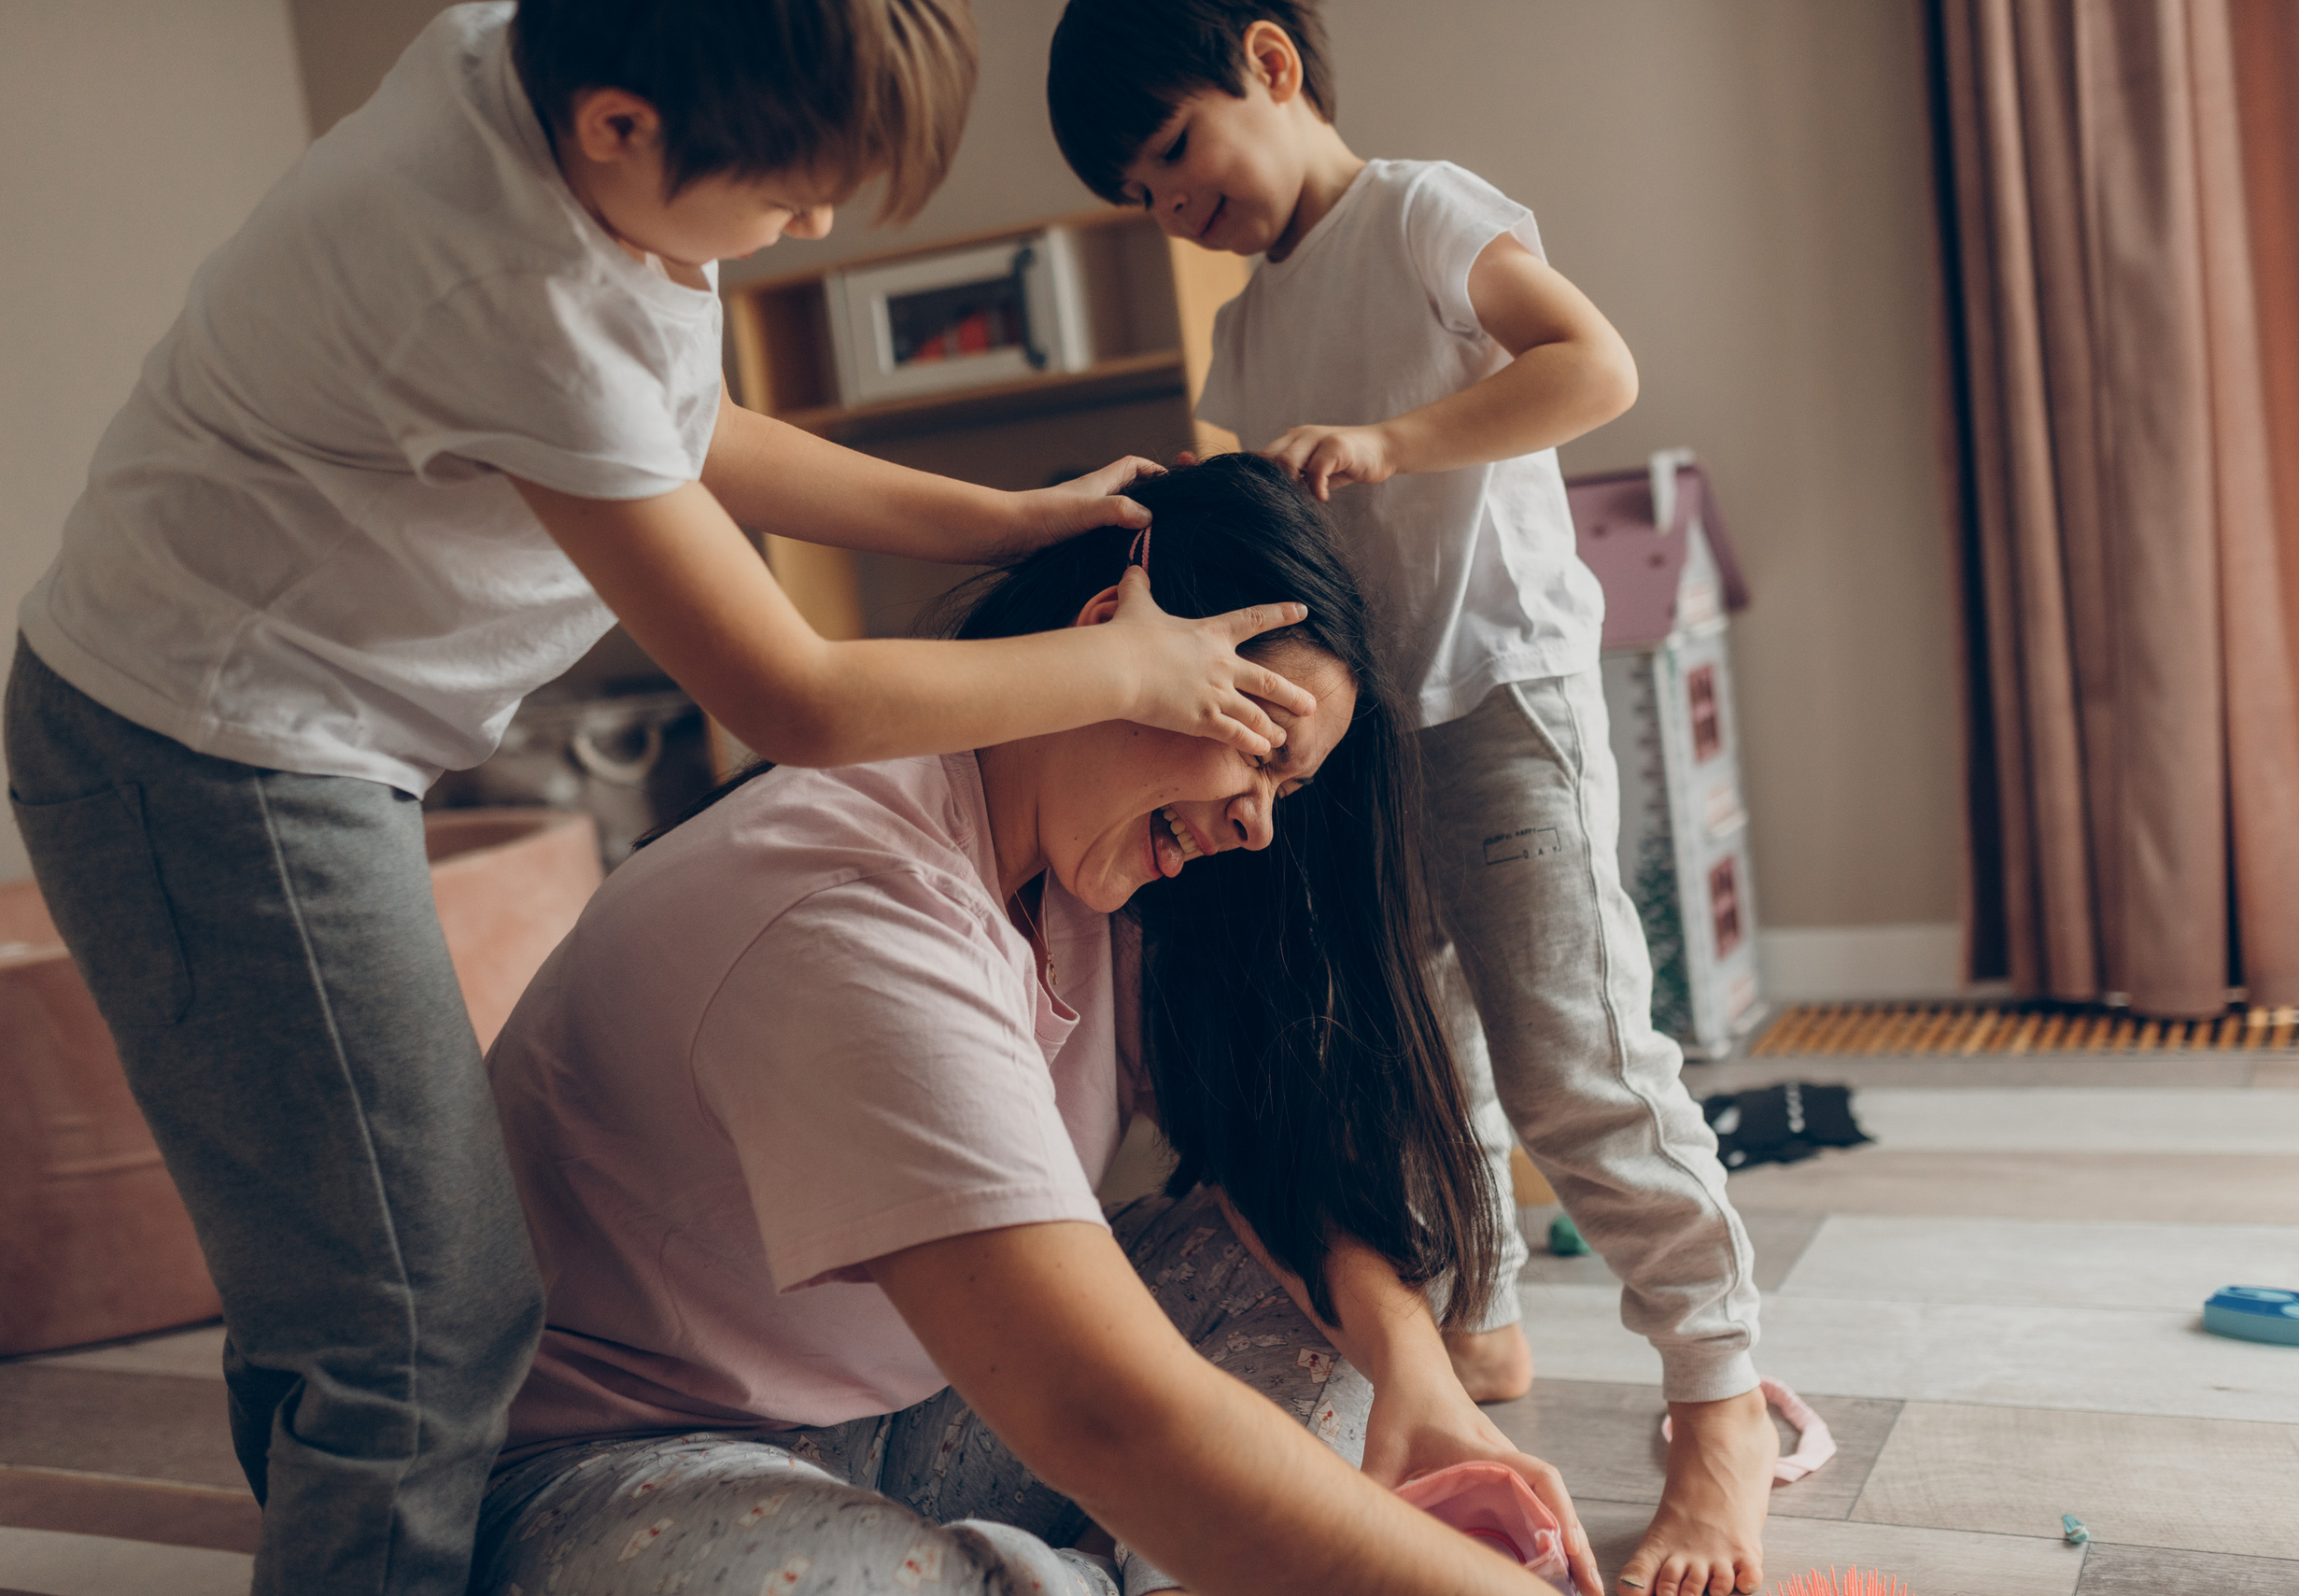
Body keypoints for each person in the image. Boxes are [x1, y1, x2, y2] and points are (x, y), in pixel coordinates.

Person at [3, 6, 1318, 1594]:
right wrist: (1123, 676)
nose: (811, 227)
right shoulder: (509, 283)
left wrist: (997, 511)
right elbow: (798, 698)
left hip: (277, 724)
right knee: (422, 1320)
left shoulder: (547, 71)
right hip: (210, 749)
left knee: (356, 1289)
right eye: (785, 199)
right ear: (624, 128)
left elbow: (688, 420)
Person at [472, 455, 1601, 1596]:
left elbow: (1281, 1161)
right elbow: (1101, 1415)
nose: (1260, 826)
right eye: (1261, 751)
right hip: (623, 1468)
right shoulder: (853, 901)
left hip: (912, 1413)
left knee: (1337, 1284)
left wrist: (1425, 1386)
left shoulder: (1082, 874)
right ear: (1118, 637)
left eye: (1290, 790)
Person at [1047, 7, 1775, 1595]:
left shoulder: (1426, 209)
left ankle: (1718, 1402)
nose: (1177, 211)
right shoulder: (1241, 340)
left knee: (1572, 1050)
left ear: (1272, 64)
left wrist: (1397, 437)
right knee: (1419, 1035)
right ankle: (1479, 1315)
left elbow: (1595, 363)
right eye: (1144, 199)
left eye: (1177, 153)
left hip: (1500, 692)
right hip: (1360, 739)